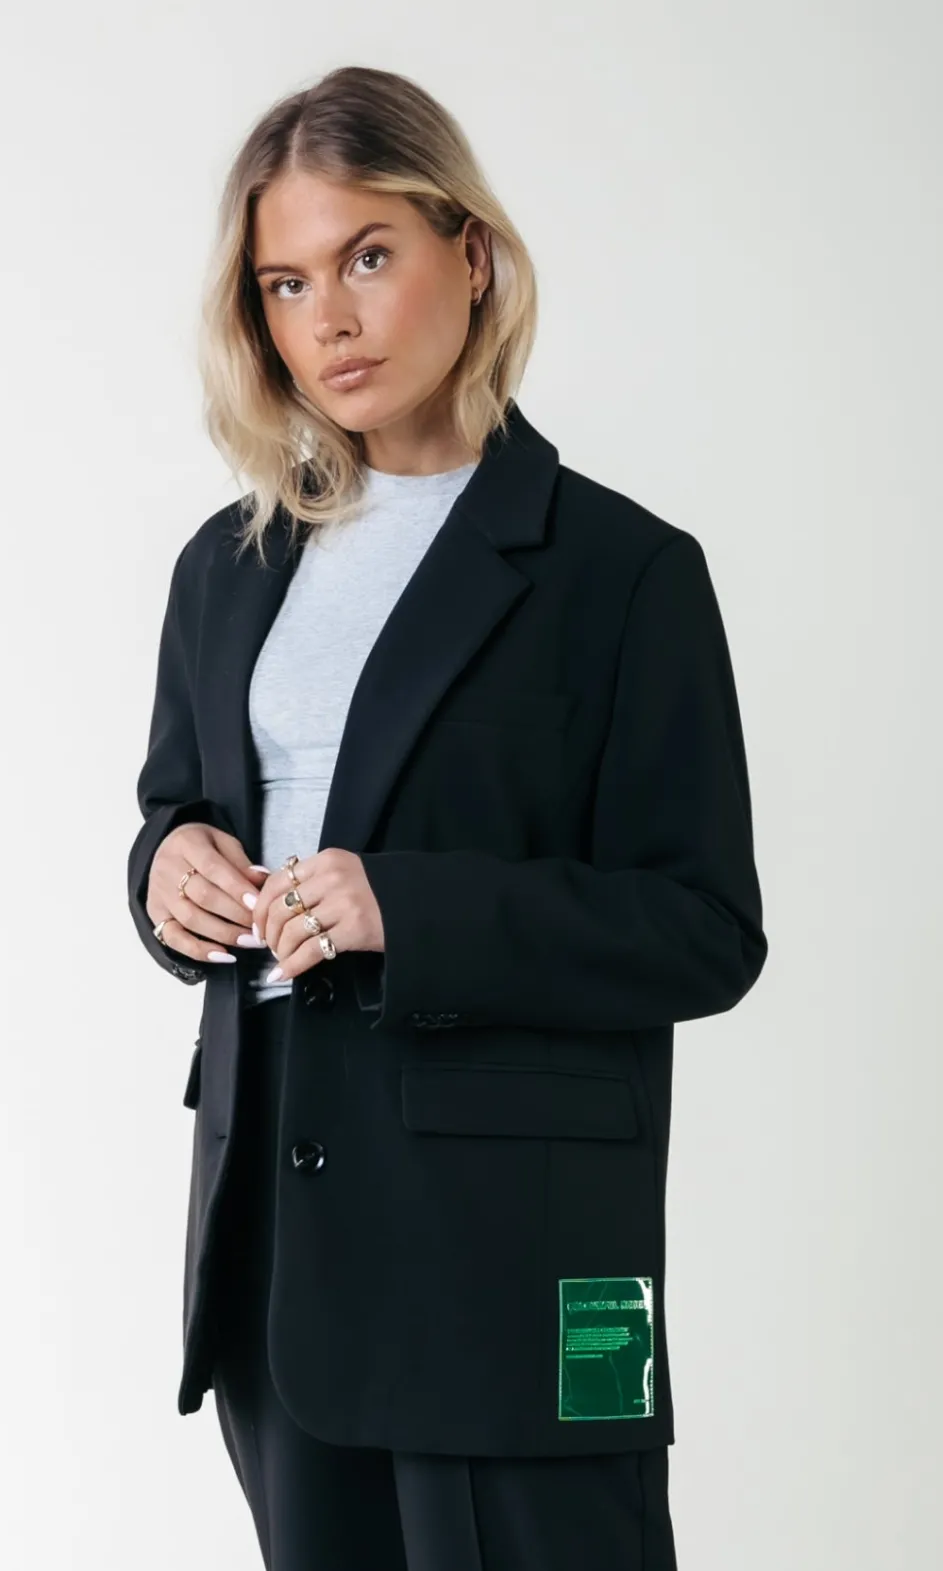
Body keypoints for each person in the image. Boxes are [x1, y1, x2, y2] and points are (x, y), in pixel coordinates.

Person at [126, 63, 767, 1571]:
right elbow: (177, 810)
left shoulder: (621, 573)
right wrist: (167, 871)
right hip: (274, 1237)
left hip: (508, 1254)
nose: (328, 321)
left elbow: (703, 929)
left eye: (367, 257)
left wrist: (407, 907)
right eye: (285, 284)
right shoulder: (226, 567)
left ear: (469, 254)